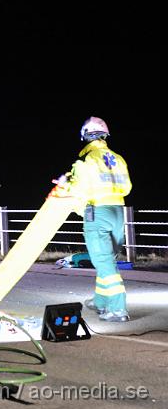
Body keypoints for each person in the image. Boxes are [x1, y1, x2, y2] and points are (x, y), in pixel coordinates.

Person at [53, 117, 132, 322]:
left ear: (86, 136)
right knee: (107, 259)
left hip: (98, 212)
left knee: (103, 261)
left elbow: (80, 189)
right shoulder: (118, 158)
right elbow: (128, 187)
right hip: (117, 211)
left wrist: (64, 185)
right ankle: (100, 301)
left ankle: (117, 309)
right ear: (104, 135)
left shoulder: (87, 161)